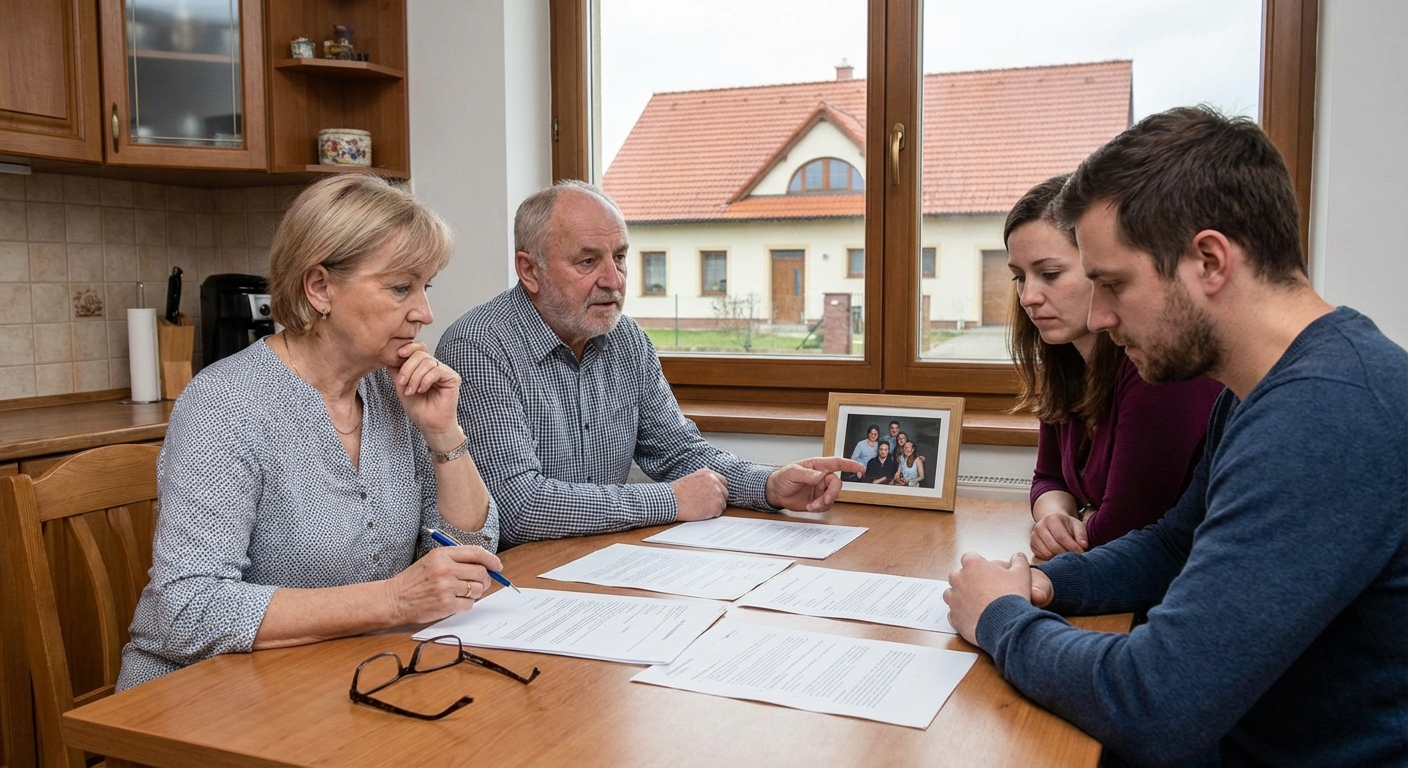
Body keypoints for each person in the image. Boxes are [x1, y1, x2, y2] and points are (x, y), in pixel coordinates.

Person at [943, 106, 1407, 765]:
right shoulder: (1264, 387)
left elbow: (1154, 703)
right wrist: (1050, 585)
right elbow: (1171, 544)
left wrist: (1001, 620)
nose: (1100, 317)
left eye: (1115, 285)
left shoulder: (1329, 414)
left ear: (1210, 261)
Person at [118, 175, 502, 690]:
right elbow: (187, 607)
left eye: (425, 287)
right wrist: (392, 599)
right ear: (319, 287)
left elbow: (467, 551)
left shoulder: (390, 391)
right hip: (203, 697)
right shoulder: (226, 404)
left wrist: (443, 433)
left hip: (337, 678)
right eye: (399, 288)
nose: (425, 313)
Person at [437, 181, 863, 548]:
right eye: (588, 261)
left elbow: (679, 453)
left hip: (609, 561)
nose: (614, 279)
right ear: (530, 270)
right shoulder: (479, 347)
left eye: (619, 257)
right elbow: (518, 508)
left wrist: (768, 486)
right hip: (513, 584)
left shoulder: (627, 339)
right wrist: (670, 501)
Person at [1005, 174, 1223, 559]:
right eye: (1019, 278)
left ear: (1099, 268)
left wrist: (1081, 523)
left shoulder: (1155, 367)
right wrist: (1054, 518)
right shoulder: (1064, 360)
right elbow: (1048, 477)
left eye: (1050, 274)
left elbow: (1125, 528)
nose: (1028, 297)